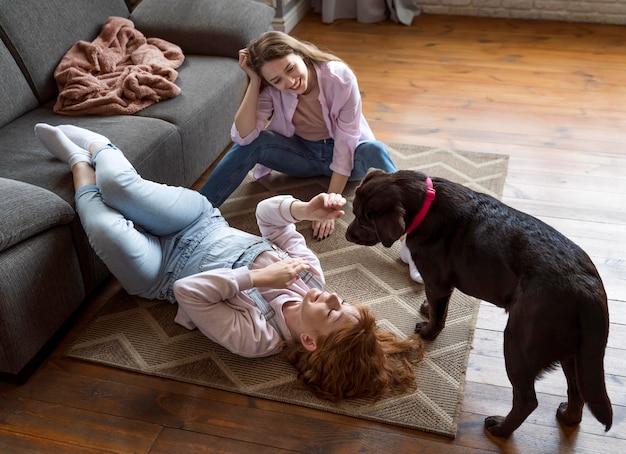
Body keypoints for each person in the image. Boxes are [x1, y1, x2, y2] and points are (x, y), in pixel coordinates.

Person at [35, 123, 423, 402]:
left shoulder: (256, 339)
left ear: (309, 341)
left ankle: (76, 161)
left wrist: (259, 276)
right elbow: (268, 216)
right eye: (348, 304)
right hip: (198, 222)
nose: (336, 297)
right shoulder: (311, 280)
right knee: (119, 188)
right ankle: (97, 144)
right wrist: (303, 209)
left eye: (335, 312)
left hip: (161, 273)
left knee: (105, 230)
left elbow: (189, 293)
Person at [198, 31, 398, 241]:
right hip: (304, 156)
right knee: (255, 143)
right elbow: (244, 137)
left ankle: (415, 215)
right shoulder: (272, 90)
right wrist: (255, 80)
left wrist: (331, 201)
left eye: (290, 69)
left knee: (376, 150)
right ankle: (195, 212)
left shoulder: (339, 77)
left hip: (349, 158)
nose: (290, 81)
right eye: (277, 80)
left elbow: (346, 141)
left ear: (300, 54)